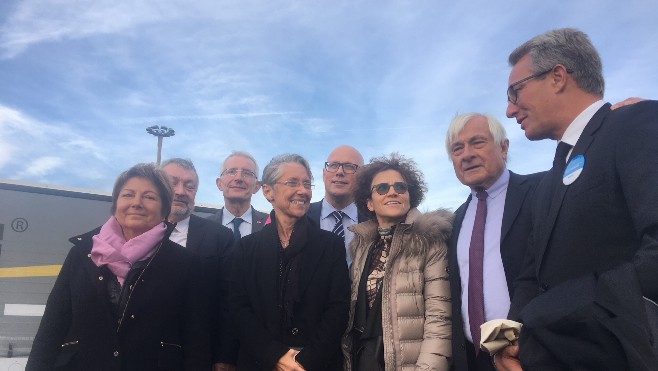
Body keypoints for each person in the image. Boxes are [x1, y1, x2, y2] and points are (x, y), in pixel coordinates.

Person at [495, 28, 658, 370]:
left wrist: (547, 322)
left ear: (557, 77)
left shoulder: (637, 125)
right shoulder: (549, 181)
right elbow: (530, 277)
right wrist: (508, 345)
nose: (510, 110)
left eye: (515, 91)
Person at [26, 163, 210, 370]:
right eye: (128, 195)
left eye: (149, 197)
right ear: (116, 203)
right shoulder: (83, 252)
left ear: (164, 208)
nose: (136, 203)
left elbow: (197, 342)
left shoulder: (186, 264)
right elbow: (52, 327)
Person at [229, 154, 351, 370]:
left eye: (306, 183)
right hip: (260, 362)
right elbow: (239, 308)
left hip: (316, 364)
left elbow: (338, 309)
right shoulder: (246, 248)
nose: (303, 191)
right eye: (292, 183)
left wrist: (304, 362)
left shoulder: (330, 245)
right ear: (268, 191)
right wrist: (275, 356)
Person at [444, 114, 544, 371]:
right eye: (457, 149)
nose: (467, 154)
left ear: (504, 147)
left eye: (477, 143)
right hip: (473, 359)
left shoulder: (543, 191)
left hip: (532, 355)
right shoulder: (456, 220)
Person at [342, 153, 453, 371]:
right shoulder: (362, 246)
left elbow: (439, 319)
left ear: (410, 196)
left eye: (400, 187)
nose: (392, 191)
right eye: (382, 188)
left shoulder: (429, 242)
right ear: (369, 202)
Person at [161, 158, 237, 370]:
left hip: (196, 357)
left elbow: (228, 302)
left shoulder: (220, 237)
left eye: (189, 186)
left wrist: (225, 357)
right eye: (172, 182)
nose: (181, 191)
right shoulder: (135, 231)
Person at [307, 145, 369, 266]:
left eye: (349, 166)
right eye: (333, 165)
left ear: (362, 177)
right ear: (324, 174)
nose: (340, 172)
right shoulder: (300, 216)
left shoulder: (375, 221)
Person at [208, 151, 269, 239]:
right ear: (219, 184)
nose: (238, 178)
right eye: (231, 171)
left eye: (247, 173)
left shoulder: (272, 226)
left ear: (257, 186)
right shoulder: (203, 227)